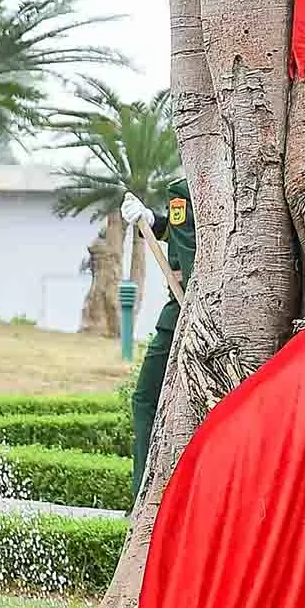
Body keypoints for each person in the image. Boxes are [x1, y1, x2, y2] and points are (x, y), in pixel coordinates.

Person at [128, 176, 193, 498]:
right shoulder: (184, 188)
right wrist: (154, 222)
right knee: (146, 398)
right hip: (175, 315)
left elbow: (193, 240)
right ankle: (145, 490)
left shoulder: (192, 188)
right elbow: (180, 234)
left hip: (196, 311)